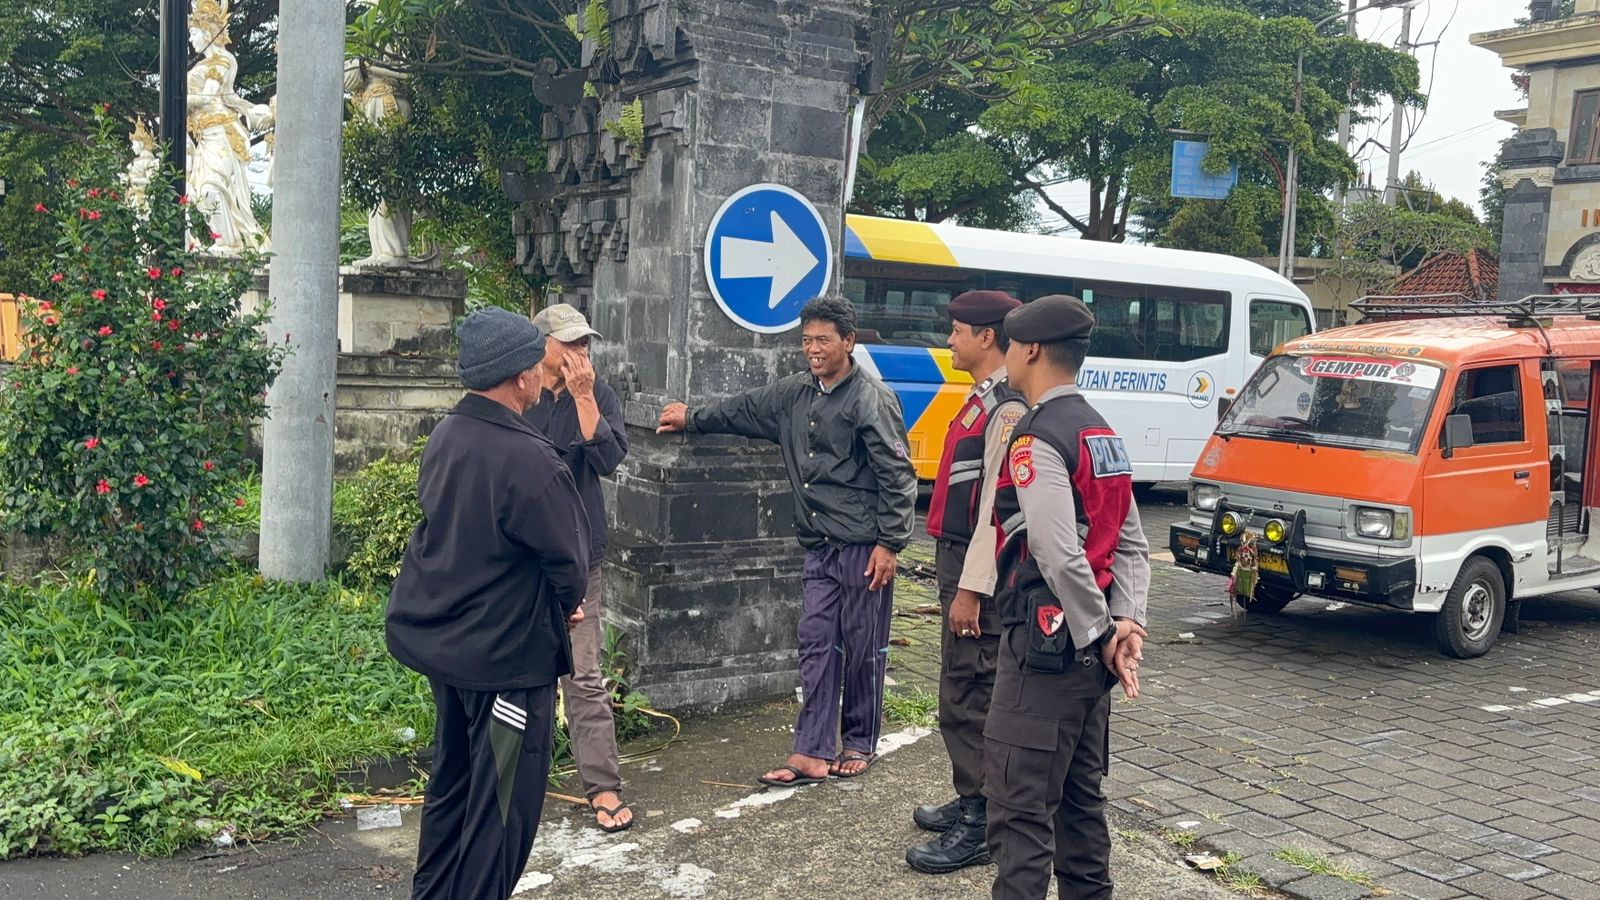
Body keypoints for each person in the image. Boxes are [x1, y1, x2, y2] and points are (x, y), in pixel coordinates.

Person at [656, 296, 918, 786]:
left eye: (823, 340)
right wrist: (692, 417)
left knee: (863, 646)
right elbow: (743, 409)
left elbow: (898, 476)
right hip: (819, 545)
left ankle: (859, 741)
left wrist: (890, 543)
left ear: (848, 342)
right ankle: (812, 751)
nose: (813, 349)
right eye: (806, 340)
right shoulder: (794, 393)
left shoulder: (871, 399)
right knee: (816, 642)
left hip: (864, 547)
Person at [386, 307, 591, 900]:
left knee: (453, 784)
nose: (541, 377)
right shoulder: (529, 458)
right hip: (504, 659)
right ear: (520, 376)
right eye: (537, 367)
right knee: (501, 808)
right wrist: (562, 606)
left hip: (449, 648)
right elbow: (570, 565)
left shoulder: (449, 433)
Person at [983, 295, 1150, 900]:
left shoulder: (1036, 437)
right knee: (1080, 807)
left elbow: (1055, 553)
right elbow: (1130, 543)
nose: (1005, 358)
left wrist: (1102, 633)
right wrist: (1126, 622)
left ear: (1030, 350)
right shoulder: (1101, 433)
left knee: (1020, 810)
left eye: (1008, 345)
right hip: (1088, 660)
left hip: (1047, 653)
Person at [906, 291, 1026, 875]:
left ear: (986, 337)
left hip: (978, 569)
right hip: (957, 558)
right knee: (960, 682)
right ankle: (970, 793)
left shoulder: (1006, 406)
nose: (949, 340)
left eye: (957, 331)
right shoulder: (982, 397)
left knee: (971, 689)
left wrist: (972, 588)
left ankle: (981, 819)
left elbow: (995, 511)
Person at [523, 303, 634, 834]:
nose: (580, 351)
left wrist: (585, 396)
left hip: (577, 556)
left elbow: (609, 460)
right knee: (518, 669)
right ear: (541, 345)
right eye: (569, 342)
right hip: (523, 558)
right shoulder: (519, 393)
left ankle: (603, 784)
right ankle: (514, 775)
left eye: (585, 342)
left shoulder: (598, 393)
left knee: (583, 674)